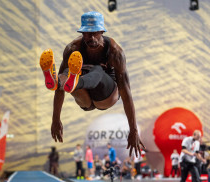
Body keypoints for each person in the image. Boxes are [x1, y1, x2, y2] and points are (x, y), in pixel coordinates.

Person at [39, 11, 144, 158]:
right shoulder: (73, 49)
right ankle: (59, 81)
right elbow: (59, 91)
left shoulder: (114, 51)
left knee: (97, 69)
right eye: (87, 34)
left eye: (95, 33)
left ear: (102, 31)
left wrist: (133, 130)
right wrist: (56, 119)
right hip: (85, 100)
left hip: (106, 96)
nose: (91, 38)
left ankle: (72, 81)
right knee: (68, 73)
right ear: (82, 33)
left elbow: (126, 92)